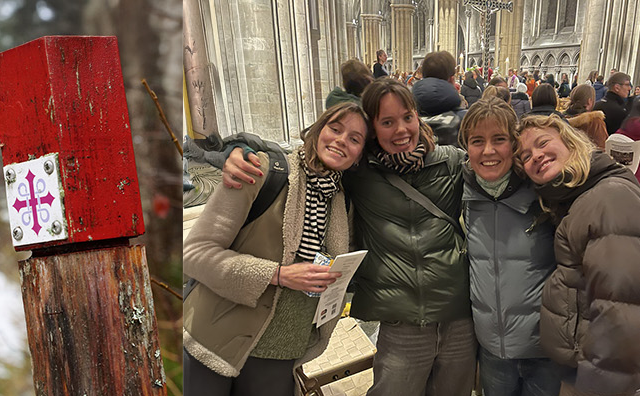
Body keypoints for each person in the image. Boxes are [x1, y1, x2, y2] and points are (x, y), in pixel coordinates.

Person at [223, 78, 473, 395]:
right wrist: (238, 151)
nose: (401, 130)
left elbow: (497, 170)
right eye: (387, 122)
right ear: (373, 129)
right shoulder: (359, 172)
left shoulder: (449, 161)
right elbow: (303, 155)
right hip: (403, 325)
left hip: (459, 318)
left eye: (407, 117)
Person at [185, 103, 366, 395]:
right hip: (216, 341)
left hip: (282, 351)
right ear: (318, 129)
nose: (342, 140)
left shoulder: (343, 202)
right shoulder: (259, 171)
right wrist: (277, 275)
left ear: (360, 154)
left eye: (355, 139)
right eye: (335, 128)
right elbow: (194, 254)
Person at [516, 115, 640, 394]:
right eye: (525, 155)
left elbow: (620, 313)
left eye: (543, 142)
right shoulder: (577, 197)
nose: (536, 155)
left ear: (570, 141)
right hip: (584, 366)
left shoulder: (606, 198)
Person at [459, 97, 566, 395]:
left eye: (499, 139)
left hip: (543, 350)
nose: (488, 150)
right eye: (477, 141)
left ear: (514, 145)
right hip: (493, 351)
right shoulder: (463, 193)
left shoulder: (544, 193)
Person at [595, 72, 632, 139]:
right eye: (627, 85)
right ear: (617, 87)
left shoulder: (596, 105)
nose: (629, 88)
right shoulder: (619, 111)